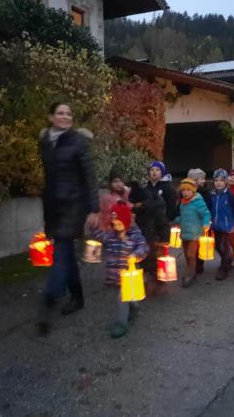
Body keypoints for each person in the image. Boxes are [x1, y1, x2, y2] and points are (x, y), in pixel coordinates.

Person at [37, 102, 100, 335]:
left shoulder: (79, 142)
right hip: (54, 206)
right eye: (60, 113)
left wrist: (93, 209)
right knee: (67, 255)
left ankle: (48, 301)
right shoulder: (46, 142)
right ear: (51, 117)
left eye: (69, 114)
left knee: (61, 253)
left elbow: (90, 178)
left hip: (74, 206)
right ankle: (78, 297)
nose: (65, 117)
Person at [87, 201, 148, 338]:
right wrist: (94, 225)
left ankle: (121, 324)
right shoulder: (111, 235)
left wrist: (136, 255)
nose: (116, 226)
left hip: (129, 275)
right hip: (115, 274)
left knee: (122, 298)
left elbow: (144, 247)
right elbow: (100, 237)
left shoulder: (135, 236)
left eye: (119, 223)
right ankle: (134, 309)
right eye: (114, 224)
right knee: (130, 298)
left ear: (126, 221)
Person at [127, 182, 169, 296]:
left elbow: (163, 223)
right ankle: (146, 282)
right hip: (142, 238)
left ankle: (159, 283)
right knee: (144, 262)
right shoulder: (135, 210)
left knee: (154, 262)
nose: (134, 205)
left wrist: (164, 238)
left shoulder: (153, 208)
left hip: (154, 237)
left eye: (136, 203)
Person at [173, 178, 211, 288]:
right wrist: (176, 221)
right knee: (186, 255)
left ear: (193, 191)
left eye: (188, 190)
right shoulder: (182, 203)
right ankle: (191, 272)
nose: (185, 192)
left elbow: (206, 214)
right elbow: (182, 217)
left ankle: (191, 275)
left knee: (191, 255)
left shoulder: (198, 202)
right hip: (185, 233)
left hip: (195, 234)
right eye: (183, 190)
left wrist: (205, 223)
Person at [210, 169, 234, 281]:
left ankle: (223, 269)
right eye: (216, 180)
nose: (219, 183)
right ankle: (228, 259)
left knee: (223, 246)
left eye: (221, 180)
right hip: (215, 226)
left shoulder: (229, 195)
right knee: (217, 246)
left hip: (227, 225)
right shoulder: (212, 195)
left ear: (225, 181)